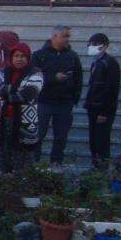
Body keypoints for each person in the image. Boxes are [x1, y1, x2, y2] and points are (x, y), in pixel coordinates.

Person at [32, 25, 82, 165]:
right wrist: (53, 78)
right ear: (54, 37)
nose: (67, 39)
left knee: (61, 137)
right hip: (43, 102)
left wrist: (74, 99)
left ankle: (56, 164)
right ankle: (34, 166)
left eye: (68, 36)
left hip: (64, 104)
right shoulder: (39, 56)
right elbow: (33, 77)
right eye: (64, 36)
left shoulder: (72, 56)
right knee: (38, 135)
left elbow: (78, 79)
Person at [0, 42, 43, 174]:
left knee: (23, 156)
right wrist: (14, 90)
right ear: (11, 57)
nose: (19, 59)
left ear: (28, 58)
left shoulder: (36, 73)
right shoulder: (3, 71)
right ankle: (2, 183)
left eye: (23, 56)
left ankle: (20, 185)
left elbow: (30, 92)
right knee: (2, 152)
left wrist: (6, 93)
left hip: (24, 124)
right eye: (16, 56)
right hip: (3, 121)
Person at [83, 33, 121, 167]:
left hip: (102, 110)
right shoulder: (97, 62)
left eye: (94, 45)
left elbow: (111, 89)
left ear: (104, 46)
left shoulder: (109, 63)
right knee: (94, 142)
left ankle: (101, 171)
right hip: (93, 107)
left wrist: (104, 112)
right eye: (90, 44)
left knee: (101, 142)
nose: (91, 47)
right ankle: (96, 168)